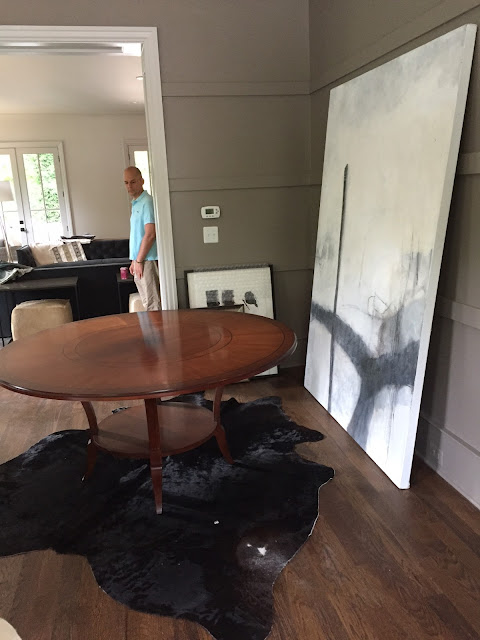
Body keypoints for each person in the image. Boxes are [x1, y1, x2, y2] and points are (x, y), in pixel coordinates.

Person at [123, 166, 161, 311]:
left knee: (153, 305)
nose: (129, 186)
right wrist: (134, 260)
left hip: (147, 260)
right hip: (139, 260)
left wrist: (139, 260)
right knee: (147, 304)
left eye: (133, 182)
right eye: (126, 182)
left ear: (142, 181)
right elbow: (138, 235)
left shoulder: (147, 202)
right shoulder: (136, 203)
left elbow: (150, 234)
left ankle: (157, 328)